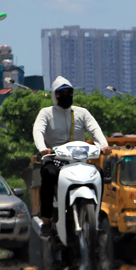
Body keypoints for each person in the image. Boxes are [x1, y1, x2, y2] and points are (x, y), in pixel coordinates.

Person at [33, 76, 111, 235]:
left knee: (99, 173)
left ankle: (96, 213)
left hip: (79, 160)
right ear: (54, 95)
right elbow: (38, 131)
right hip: (55, 159)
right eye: (62, 93)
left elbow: (95, 130)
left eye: (69, 92)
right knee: (48, 174)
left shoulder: (82, 113)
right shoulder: (46, 113)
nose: (66, 95)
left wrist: (104, 146)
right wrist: (43, 149)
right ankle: (46, 221)